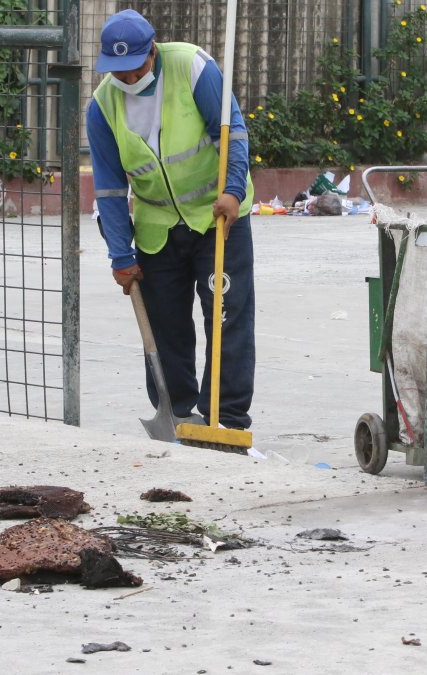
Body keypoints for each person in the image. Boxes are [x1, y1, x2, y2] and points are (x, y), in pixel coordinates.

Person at [87, 9, 256, 431]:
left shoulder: (192, 66)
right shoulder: (102, 106)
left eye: (135, 68)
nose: (127, 79)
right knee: (166, 327)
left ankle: (226, 418)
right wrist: (119, 255)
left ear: (153, 51)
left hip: (217, 219)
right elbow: (109, 188)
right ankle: (177, 413)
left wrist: (233, 191)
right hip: (157, 226)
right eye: (118, 72)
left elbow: (231, 131)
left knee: (225, 317)